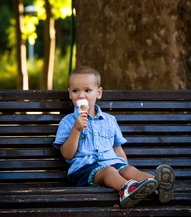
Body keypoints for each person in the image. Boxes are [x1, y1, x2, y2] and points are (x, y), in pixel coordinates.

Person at [53, 66, 175, 208]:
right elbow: (67, 154)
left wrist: (125, 169)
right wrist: (76, 129)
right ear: (69, 94)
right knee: (109, 171)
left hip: (111, 162)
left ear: (98, 93)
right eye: (75, 91)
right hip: (83, 169)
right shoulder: (68, 122)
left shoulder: (109, 120)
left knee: (129, 170)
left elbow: (117, 149)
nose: (81, 96)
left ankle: (159, 184)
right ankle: (126, 189)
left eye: (87, 90)